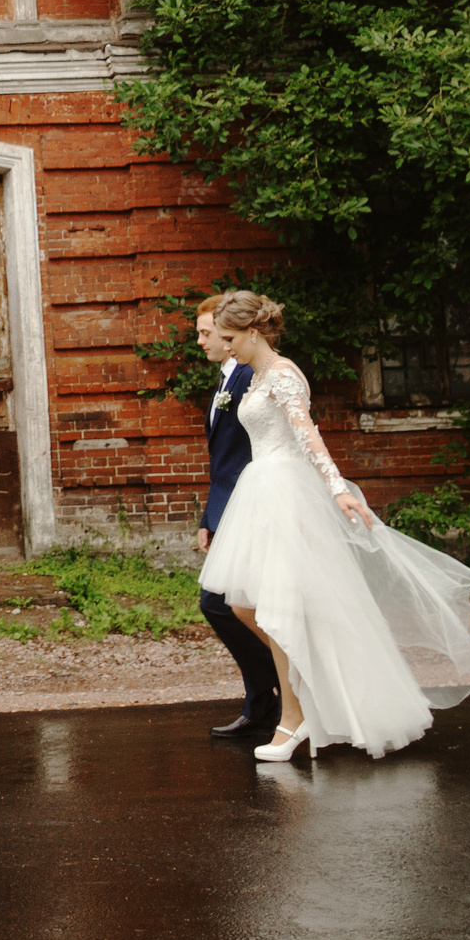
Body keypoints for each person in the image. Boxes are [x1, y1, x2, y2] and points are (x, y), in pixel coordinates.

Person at [197, 289, 470, 761]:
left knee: (274, 609)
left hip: (285, 495)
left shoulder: (284, 374)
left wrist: (337, 488)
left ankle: (293, 720)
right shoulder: (258, 376)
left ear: (253, 332)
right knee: (247, 605)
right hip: (261, 492)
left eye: (230, 337)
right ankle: (307, 695)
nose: (225, 346)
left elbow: (307, 433)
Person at [193, 297, 280, 742]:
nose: (201, 340)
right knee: (232, 604)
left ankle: (274, 696)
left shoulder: (252, 375)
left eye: (208, 333)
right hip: (229, 505)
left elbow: (261, 448)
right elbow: (222, 457)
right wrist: (210, 515)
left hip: (256, 506)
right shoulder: (227, 377)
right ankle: (268, 699)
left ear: (233, 337)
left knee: (224, 603)